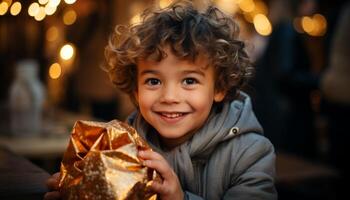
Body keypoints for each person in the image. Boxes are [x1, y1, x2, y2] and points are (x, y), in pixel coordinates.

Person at [44, 1, 277, 199]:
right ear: (136, 90)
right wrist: (82, 189)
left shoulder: (251, 154)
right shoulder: (121, 148)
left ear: (220, 87)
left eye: (189, 81)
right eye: (154, 82)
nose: (169, 97)